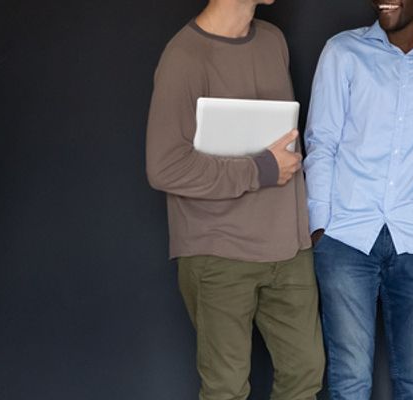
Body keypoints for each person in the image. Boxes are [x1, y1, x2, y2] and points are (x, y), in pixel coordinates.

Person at [145, 0, 323, 398]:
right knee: (225, 387)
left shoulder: (273, 41)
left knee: (305, 374)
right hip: (217, 253)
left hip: (288, 251)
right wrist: (259, 170)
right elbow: (164, 167)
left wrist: (301, 232)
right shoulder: (184, 56)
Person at [302, 0, 413, 398]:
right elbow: (321, 143)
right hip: (346, 239)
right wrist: (321, 226)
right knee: (350, 380)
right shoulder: (343, 51)